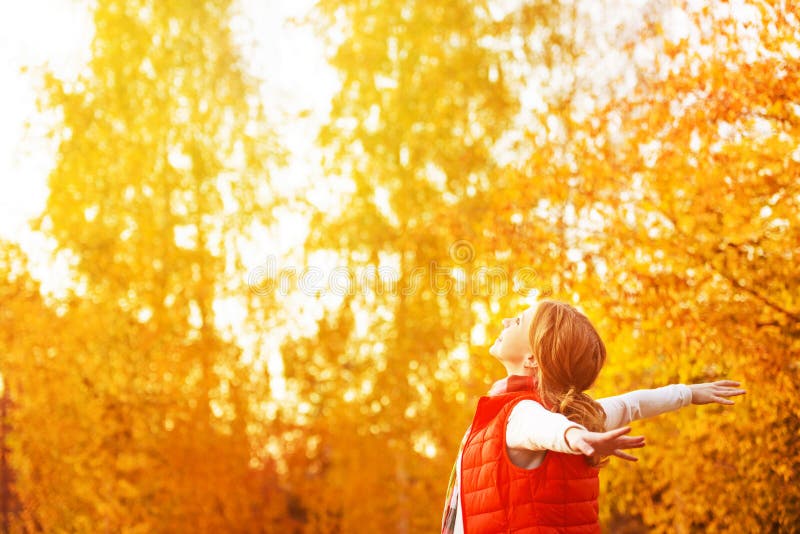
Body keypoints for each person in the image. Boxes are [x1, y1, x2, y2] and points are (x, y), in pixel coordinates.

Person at [441, 299, 746, 534]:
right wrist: (688, 393)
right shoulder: (574, 412)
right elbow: (632, 404)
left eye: (517, 321)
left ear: (532, 358)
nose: (506, 320)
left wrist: (578, 438)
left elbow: (548, 428)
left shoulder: (521, 414)